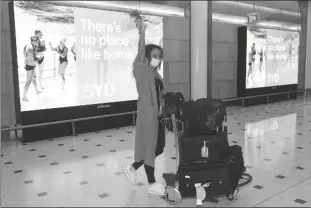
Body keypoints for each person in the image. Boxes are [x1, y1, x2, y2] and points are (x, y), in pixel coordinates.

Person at [122, 20, 166, 196]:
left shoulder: (155, 74)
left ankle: (132, 167)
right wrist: (142, 33)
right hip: (148, 116)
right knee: (150, 147)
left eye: (160, 56)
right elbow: (140, 54)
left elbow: (160, 94)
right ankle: (152, 183)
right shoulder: (142, 70)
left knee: (159, 147)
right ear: (147, 56)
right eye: (155, 55)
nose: (158, 58)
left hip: (157, 115)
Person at [22, 36, 42, 102]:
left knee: (34, 77)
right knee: (28, 82)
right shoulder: (31, 49)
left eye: (37, 40)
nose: (36, 42)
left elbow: (23, 50)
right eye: (35, 41)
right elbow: (32, 61)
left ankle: (36, 91)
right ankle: (24, 97)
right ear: (32, 41)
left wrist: (25, 59)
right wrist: (39, 58)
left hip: (28, 64)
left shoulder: (29, 45)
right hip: (30, 66)